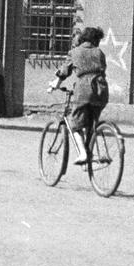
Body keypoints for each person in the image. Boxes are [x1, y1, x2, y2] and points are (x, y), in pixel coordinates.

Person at [50, 26, 109, 163]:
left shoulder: (74, 52)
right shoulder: (99, 52)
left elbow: (64, 72)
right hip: (101, 89)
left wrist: (55, 84)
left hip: (84, 89)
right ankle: (91, 150)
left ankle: (83, 154)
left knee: (74, 124)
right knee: (92, 122)